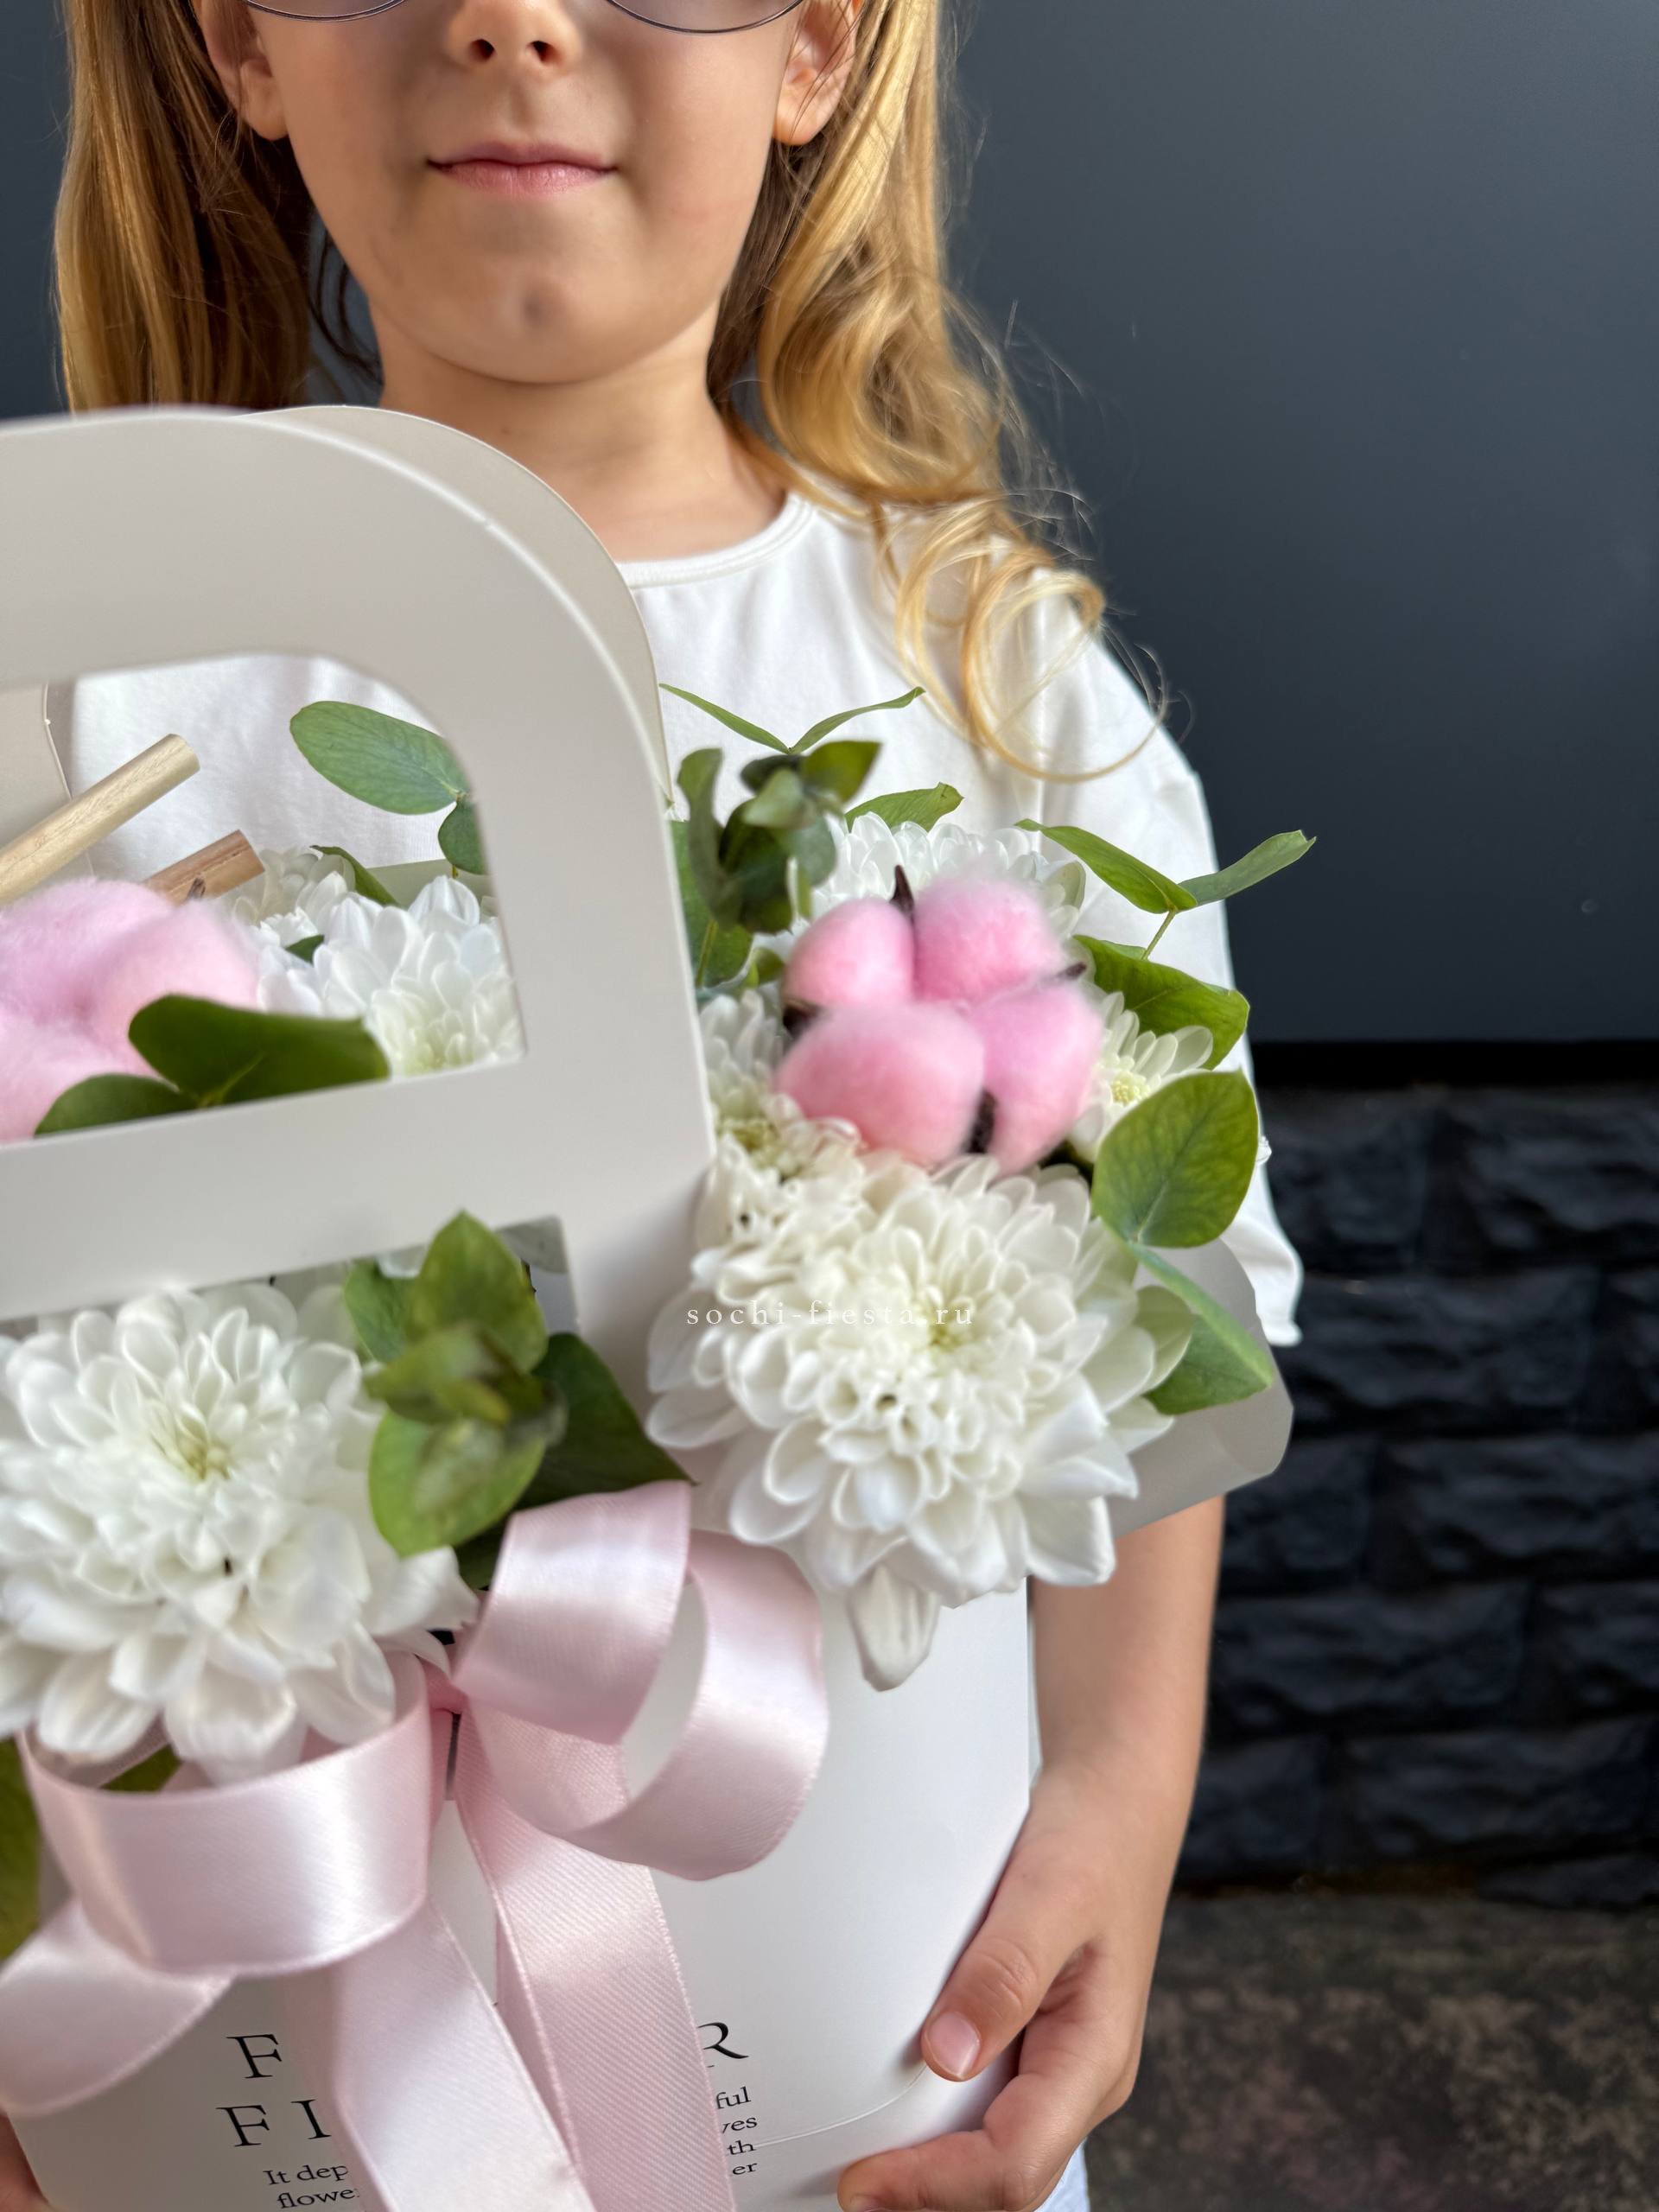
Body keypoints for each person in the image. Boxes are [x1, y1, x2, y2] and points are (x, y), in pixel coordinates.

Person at [3, 2, 1304, 2207]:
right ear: (239, 44)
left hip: (846, 2047)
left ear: (816, 48)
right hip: (237, 2058)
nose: (511, 16)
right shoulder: (84, 683)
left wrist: (1118, 1794)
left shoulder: (983, 682)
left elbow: (1175, 1339)